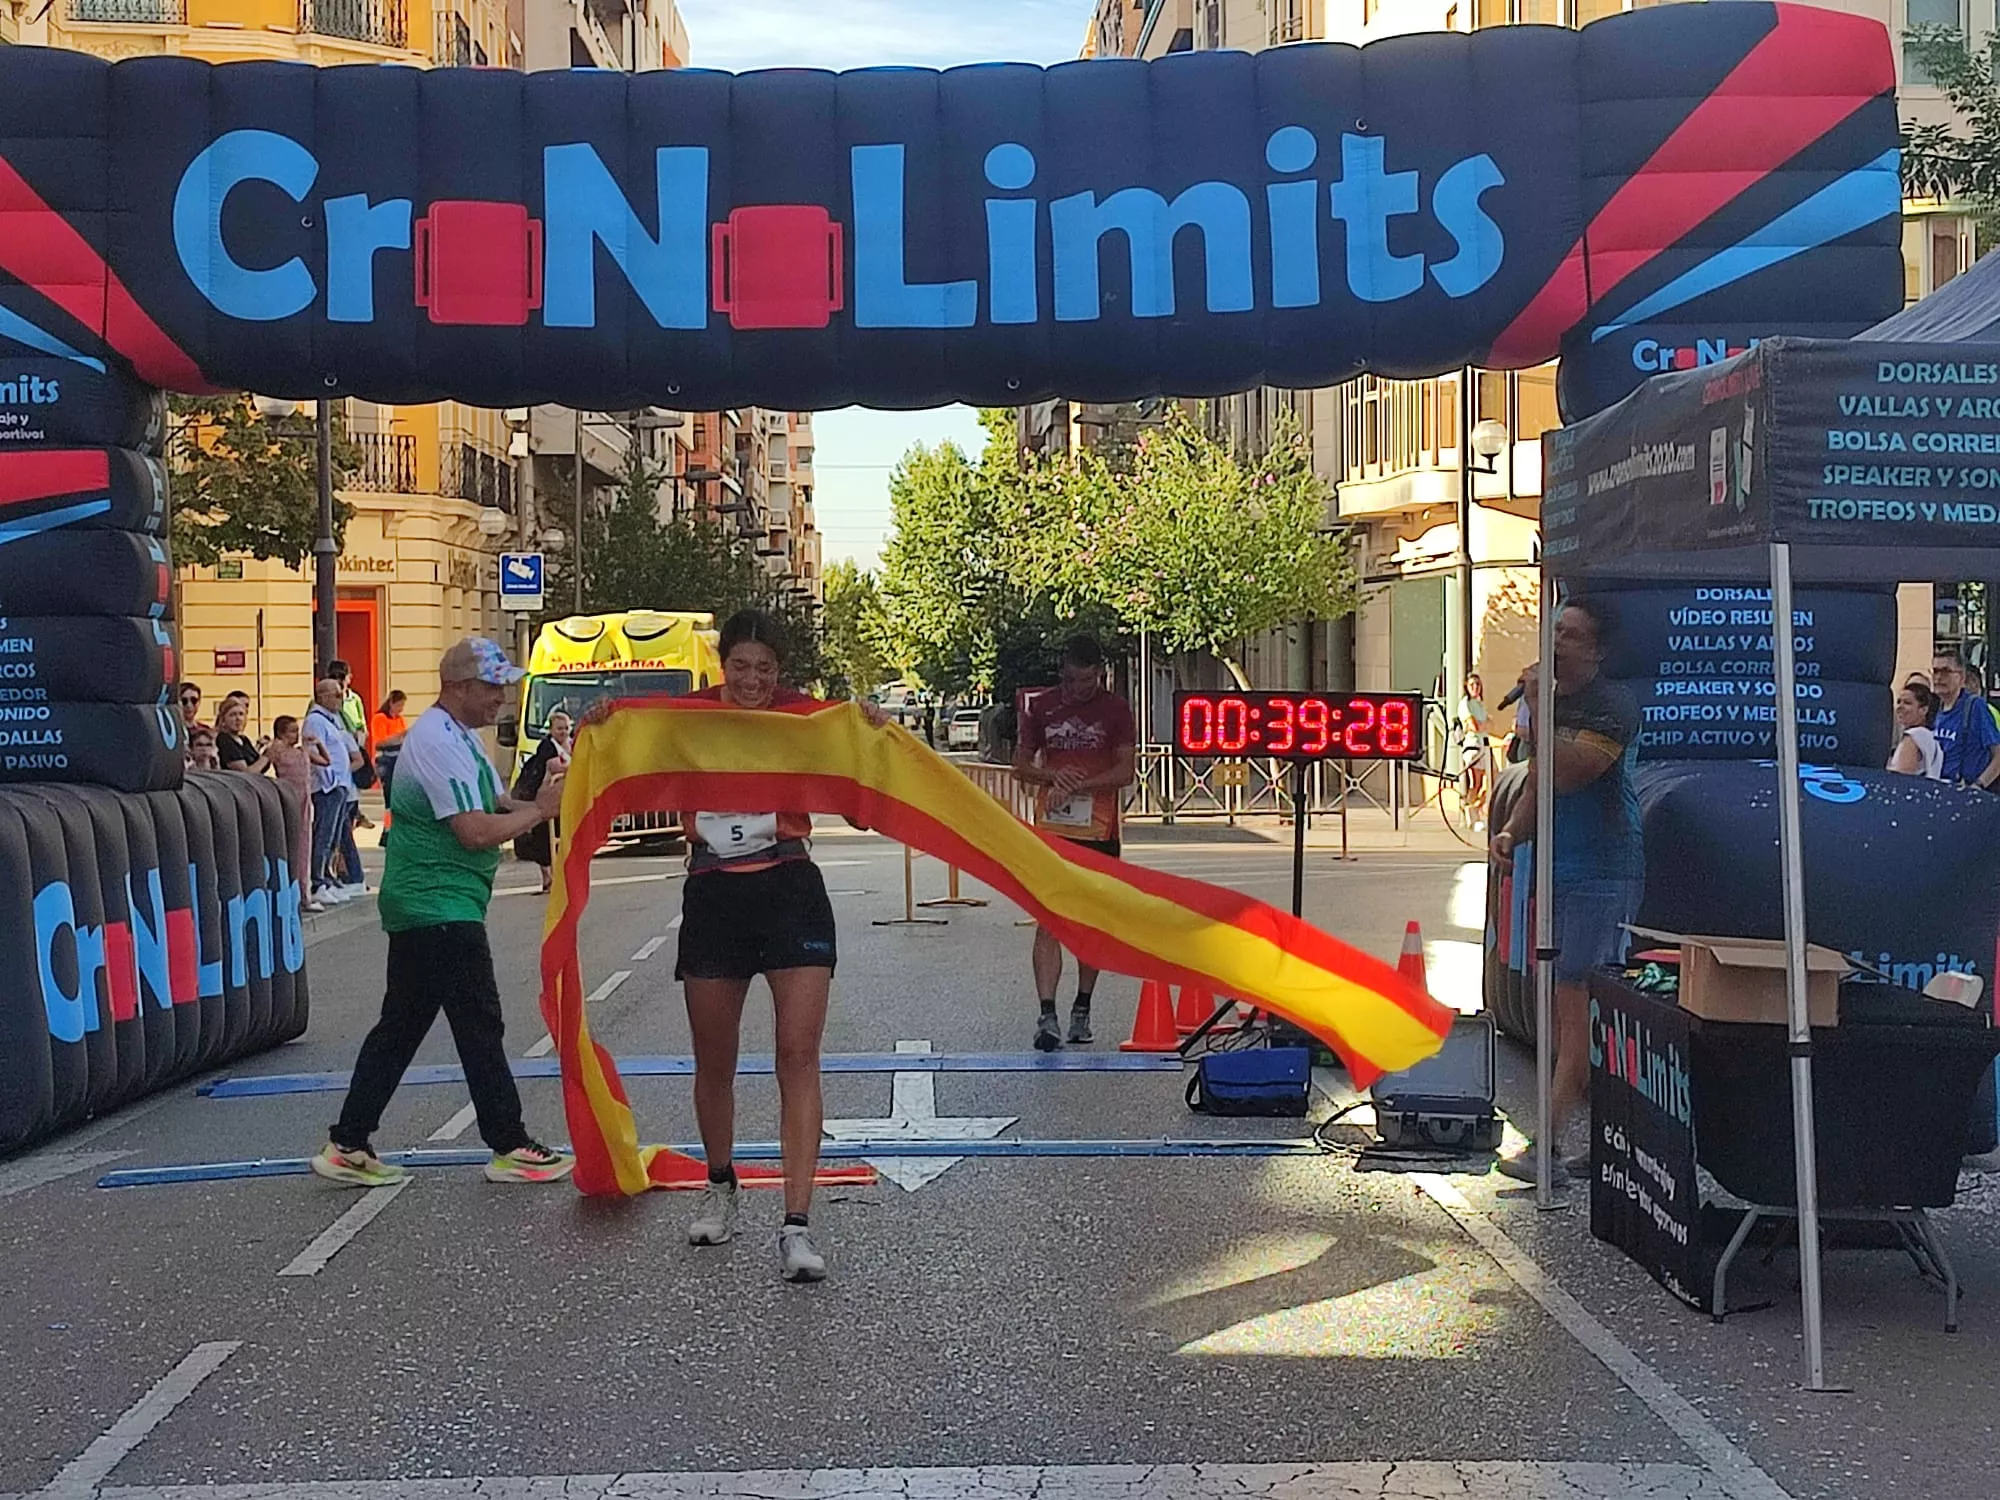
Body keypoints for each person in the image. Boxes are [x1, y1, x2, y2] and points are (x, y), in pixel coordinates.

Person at [597, 608, 888, 1281]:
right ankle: (722, 1184)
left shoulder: (803, 719)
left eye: (765, 668)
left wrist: (870, 735)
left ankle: (797, 1224)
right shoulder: (688, 717)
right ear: (722, 665)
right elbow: (626, 748)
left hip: (790, 885)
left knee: (798, 1055)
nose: (752, 679)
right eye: (740, 666)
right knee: (715, 1060)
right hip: (714, 891)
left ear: (778, 672)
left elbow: (857, 803)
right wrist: (603, 725)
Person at [312, 637, 573, 1189]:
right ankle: (508, 1142)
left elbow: (499, 804)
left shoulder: (459, 738)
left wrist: (550, 803)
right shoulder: (437, 743)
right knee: (479, 1022)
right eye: (491, 686)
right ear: (457, 687)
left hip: (432, 903)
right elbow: (475, 831)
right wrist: (541, 813)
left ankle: (348, 1140)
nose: (501, 696)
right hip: (439, 903)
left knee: (402, 1028)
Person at [1491, 598, 1642, 1183]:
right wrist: (1511, 832)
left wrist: (1537, 709)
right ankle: (1606, 1143)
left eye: (1572, 635)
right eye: (1555, 629)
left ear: (1597, 651)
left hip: (1603, 872)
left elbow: (1568, 772)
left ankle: (1547, 1146)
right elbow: (1538, 785)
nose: (1558, 641)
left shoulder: (1610, 706)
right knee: (1564, 1013)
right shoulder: (1553, 704)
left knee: (1578, 1012)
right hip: (1558, 869)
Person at [1010, 635, 1138, 1052]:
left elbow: (1124, 772)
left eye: (1085, 682)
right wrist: (1052, 778)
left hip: (1099, 831)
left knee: (1090, 924)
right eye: (1069, 681)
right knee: (1048, 920)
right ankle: (1046, 1014)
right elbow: (1021, 766)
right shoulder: (1042, 707)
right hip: (1052, 829)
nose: (1076, 690)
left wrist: (1084, 784)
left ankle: (1082, 1006)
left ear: (1099, 673)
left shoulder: (1116, 710)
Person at [305, 678, 365, 907]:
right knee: (324, 833)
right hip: (328, 787)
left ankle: (327, 878)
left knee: (333, 837)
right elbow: (314, 750)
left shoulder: (331, 720)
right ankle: (318, 881)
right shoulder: (316, 720)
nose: (341, 699)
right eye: (336, 695)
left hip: (339, 786)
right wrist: (330, 779)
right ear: (322, 696)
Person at [512, 709, 572, 894]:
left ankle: (558, 877)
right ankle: (548, 878)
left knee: (560, 837)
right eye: (559, 728)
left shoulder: (570, 743)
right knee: (544, 839)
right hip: (543, 798)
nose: (563, 732)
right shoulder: (547, 746)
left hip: (562, 799)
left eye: (566, 728)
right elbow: (556, 767)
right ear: (551, 730)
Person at [268, 714, 324, 910]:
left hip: (304, 801)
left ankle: (304, 892)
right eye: (292, 731)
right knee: (290, 845)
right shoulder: (278, 750)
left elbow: (326, 761)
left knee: (304, 845)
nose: (296, 735)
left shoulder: (302, 751)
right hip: (288, 798)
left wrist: (317, 743)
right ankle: (292, 891)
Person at [1929, 650, 2000, 790]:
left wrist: (1979, 785)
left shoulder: (1975, 707)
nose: (1938, 678)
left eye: (1946, 671)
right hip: (1939, 790)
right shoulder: (1934, 709)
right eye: (1935, 671)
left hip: (1965, 793)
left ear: (1961, 677)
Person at [327, 659, 379, 833]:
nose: (339, 681)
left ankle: (355, 816)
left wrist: (358, 740)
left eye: (342, 677)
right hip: (333, 759)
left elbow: (361, 725)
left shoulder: (353, 699)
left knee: (350, 800)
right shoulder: (321, 702)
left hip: (353, 753)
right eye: (334, 677)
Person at [1888, 682, 1944, 779]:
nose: (1900, 707)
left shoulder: (1914, 736)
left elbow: (1901, 777)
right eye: (1899, 702)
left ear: (1923, 710)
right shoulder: (1930, 737)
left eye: (1907, 703)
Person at [1458, 672, 1491, 828]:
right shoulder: (1466, 703)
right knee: (1476, 782)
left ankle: (1474, 807)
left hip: (1484, 745)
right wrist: (1482, 724)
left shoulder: (1480, 704)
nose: (1475, 687)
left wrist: (1483, 724)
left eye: (1477, 684)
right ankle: (1469, 809)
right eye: (1472, 685)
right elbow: (1474, 726)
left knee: (1493, 781)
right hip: (1473, 746)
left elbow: (1490, 724)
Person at [213, 696, 263, 774]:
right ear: (223, 720)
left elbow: (259, 765)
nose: (238, 718)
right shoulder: (224, 740)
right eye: (232, 715)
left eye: (241, 714)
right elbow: (245, 773)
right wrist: (267, 756)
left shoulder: (244, 739)